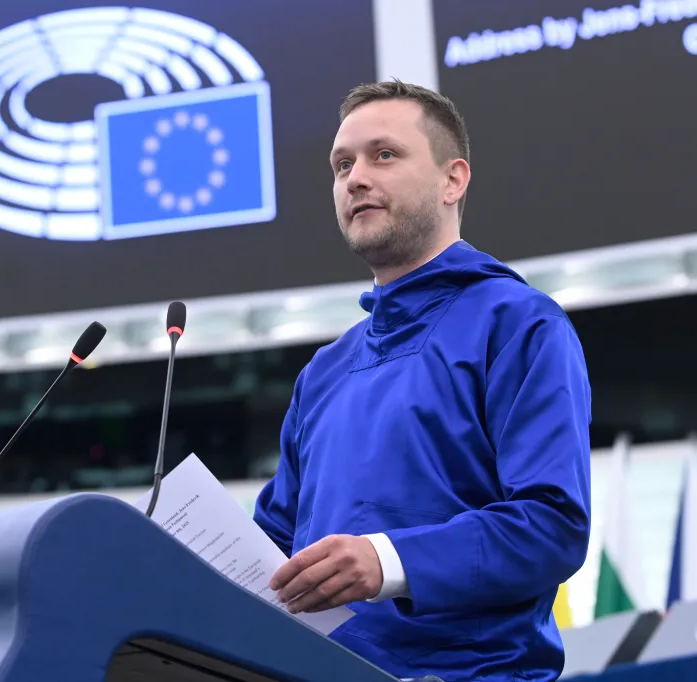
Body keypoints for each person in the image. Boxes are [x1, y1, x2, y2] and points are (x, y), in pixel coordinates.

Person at [252, 80, 592, 682]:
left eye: (383, 154)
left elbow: (552, 526)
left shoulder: (517, 322)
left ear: (452, 180)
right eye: (341, 164)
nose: (354, 178)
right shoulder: (322, 374)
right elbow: (270, 548)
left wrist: (388, 560)